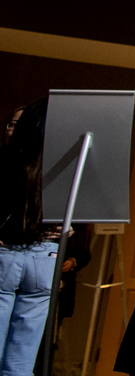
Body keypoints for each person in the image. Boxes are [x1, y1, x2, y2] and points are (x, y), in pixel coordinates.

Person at [0, 99, 61, 376]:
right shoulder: (56, 167)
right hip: (44, 256)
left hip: (7, 254)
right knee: (22, 361)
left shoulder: (6, 163)